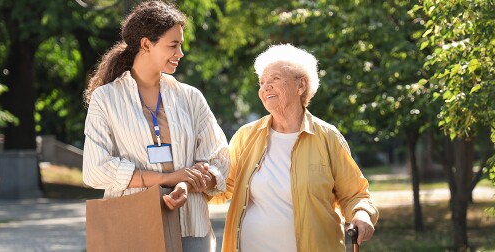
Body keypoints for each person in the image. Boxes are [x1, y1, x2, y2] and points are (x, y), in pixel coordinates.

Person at [82, 1, 229, 251]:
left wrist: (184, 184)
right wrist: (165, 178)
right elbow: (95, 170)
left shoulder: (190, 97)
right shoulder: (106, 98)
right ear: (146, 44)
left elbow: (219, 159)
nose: (180, 53)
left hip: (191, 224)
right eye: (173, 45)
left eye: (180, 45)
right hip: (133, 224)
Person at [212, 44, 378, 252]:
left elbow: (355, 194)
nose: (265, 87)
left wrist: (362, 215)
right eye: (262, 82)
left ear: (301, 86)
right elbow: (224, 186)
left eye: (275, 79)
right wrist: (185, 180)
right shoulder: (246, 136)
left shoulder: (327, 137)